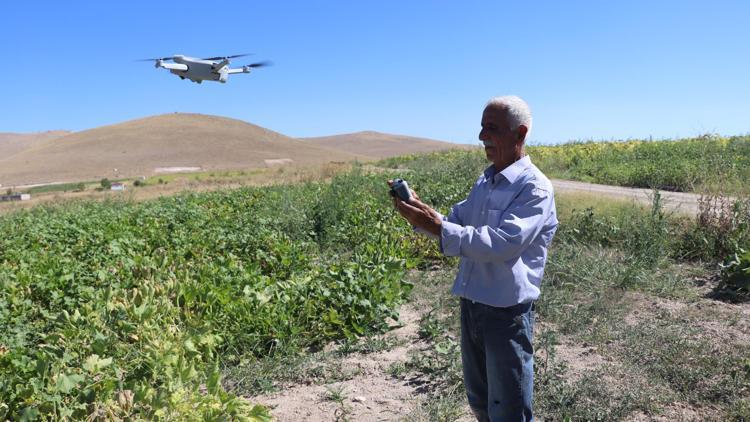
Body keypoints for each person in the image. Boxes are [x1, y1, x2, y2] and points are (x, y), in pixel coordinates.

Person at [389, 95, 557, 421]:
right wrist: (420, 212)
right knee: (481, 401)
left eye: (491, 128)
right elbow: (456, 222)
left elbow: (502, 244)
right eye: (482, 127)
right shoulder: (486, 180)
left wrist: (436, 227)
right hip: (472, 306)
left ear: (519, 134)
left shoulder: (534, 188)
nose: (482, 136)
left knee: (509, 409)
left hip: (505, 313)